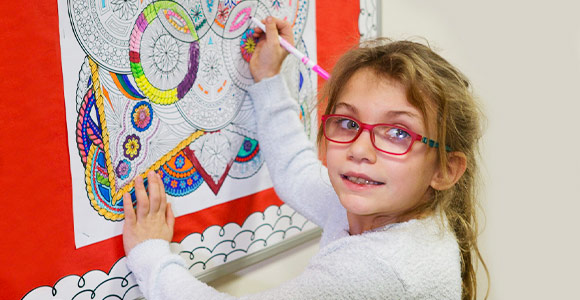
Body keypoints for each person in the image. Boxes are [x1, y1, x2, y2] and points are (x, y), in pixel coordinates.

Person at [122, 17, 488, 300]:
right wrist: (266, 79)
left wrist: (150, 253)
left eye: (398, 133)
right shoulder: (376, 204)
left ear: (445, 170)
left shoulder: (379, 268)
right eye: (347, 122)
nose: (360, 149)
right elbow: (296, 171)